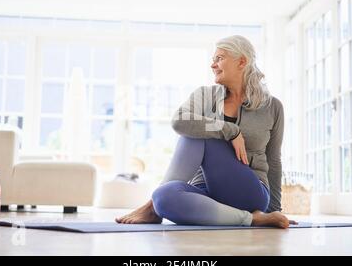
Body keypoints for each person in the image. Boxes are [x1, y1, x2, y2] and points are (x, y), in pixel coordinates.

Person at [116, 35, 297, 228]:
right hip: (205, 192)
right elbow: (179, 121)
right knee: (163, 197)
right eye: (213, 60)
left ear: (241, 61)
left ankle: (150, 209)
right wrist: (230, 130)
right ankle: (251, 219)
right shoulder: (205, 95)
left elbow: (273, 160)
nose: (213, 65)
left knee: (203, 135)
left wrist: (275, 210)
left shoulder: (272, 106)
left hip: (249, 190)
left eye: (219, 58)